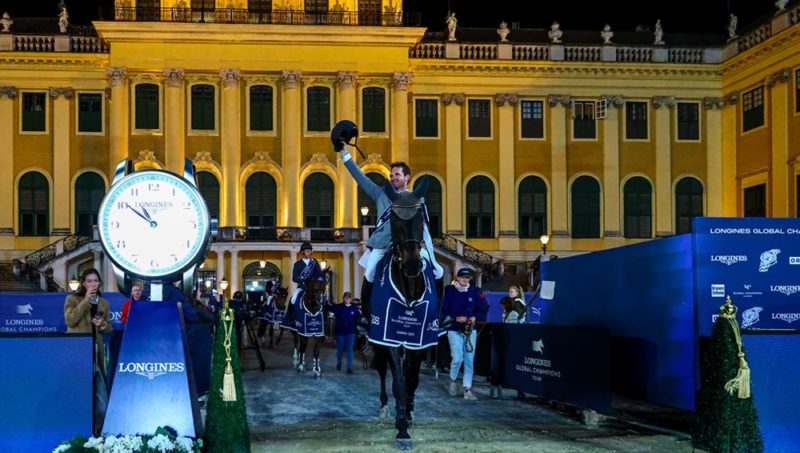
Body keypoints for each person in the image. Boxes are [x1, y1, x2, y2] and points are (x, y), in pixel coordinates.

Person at [337, 142, 443, 315]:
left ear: (407, 177)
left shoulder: (417, 198)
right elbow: (360, 178)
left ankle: (437, 313)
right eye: (391, 175)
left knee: (437, 271)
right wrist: (345, 155)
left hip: (410, 244)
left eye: (397, 175)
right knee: (370, 273)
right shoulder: (381, 194)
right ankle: (366, 314)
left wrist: (425, 246)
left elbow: (422, 225)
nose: (393, 177)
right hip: (383, 244)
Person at [441, 268, 488, 400]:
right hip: (454, 328)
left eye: (467, 277)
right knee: (457, 358)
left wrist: (475, 317)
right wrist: (455, 317)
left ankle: (467, 389)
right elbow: (444, 310)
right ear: (457, 277)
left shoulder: (474, 292)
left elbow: (482, 308)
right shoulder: (450, 291)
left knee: (469, 360)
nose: (464, 279)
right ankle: (453, 380)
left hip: (470, 329)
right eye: (462, 277)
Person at [64, 268, 113, 372]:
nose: (93, 284)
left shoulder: (104, 303)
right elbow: (70, 321)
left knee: (97, 380)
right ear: (83, 284)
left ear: (99, 283)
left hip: (96, 348)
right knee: (78, 376)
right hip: (78, 346)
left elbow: (109, 328)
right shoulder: (72, 299)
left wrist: (103, 325)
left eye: (95, 281)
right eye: (89, 281)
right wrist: (85, 301)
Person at [328, 291, 360, 374]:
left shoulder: (354, 308)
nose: (347, 299)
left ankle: (349, 367)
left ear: (350, 299)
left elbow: (358, 317)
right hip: (340, 333)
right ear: (343, 298)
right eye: (345, 297)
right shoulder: (338, 307)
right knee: (340, 350)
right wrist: (328, 302)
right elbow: (329, 307)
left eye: (349, 297)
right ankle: (339, 363)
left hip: (351, 333)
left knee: (350, 350)